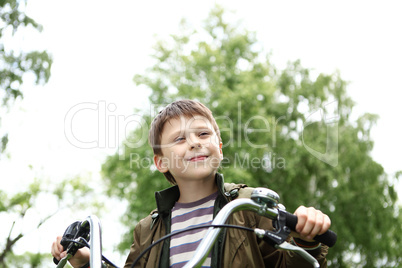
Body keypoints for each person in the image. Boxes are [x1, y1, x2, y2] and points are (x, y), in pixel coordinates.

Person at [52, 99, 331, 268]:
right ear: (161, 162)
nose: (195, 142)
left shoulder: (247, 206)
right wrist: (87, 261)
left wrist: (305, 241)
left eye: (203, 133)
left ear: (219, 147)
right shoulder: (148, 229)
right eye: (180, 139)